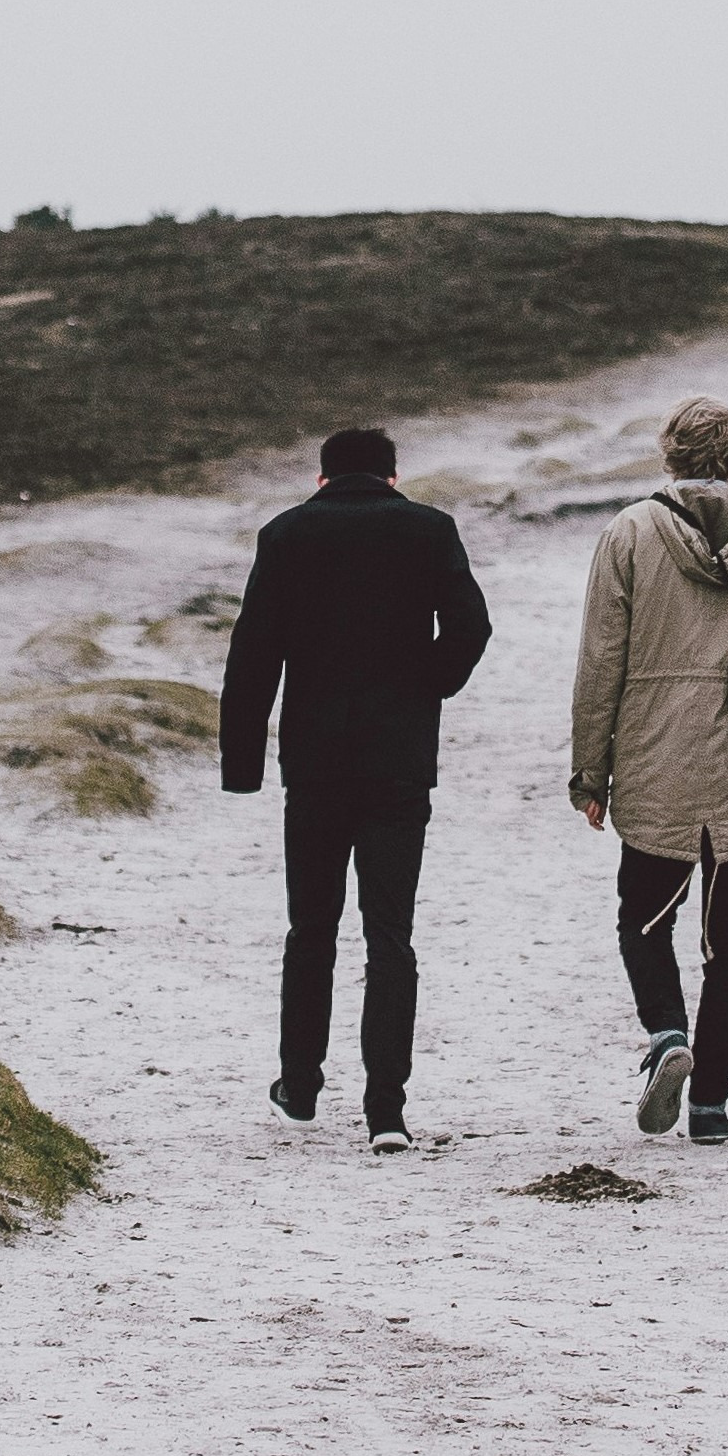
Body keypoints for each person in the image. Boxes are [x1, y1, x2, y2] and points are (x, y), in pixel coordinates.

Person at [219, 427, 491, 1154]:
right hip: (398, 757)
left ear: (321, 478)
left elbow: (253, 652)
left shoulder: (286, 534)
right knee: (389, 933)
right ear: (393, 475)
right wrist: (422, 688)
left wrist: (241, 765)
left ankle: (300, 1085)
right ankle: (386, 1111)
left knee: (311, 928)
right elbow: (471, 626)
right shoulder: (429, 529)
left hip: (314, 759)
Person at [570, 395, 728, 1145]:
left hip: (657, 758)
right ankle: (711, 1102)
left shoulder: (630, 532)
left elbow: (600, 662)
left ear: (670, 454)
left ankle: (665, 1035)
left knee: (643, 919)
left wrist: (591, 773)